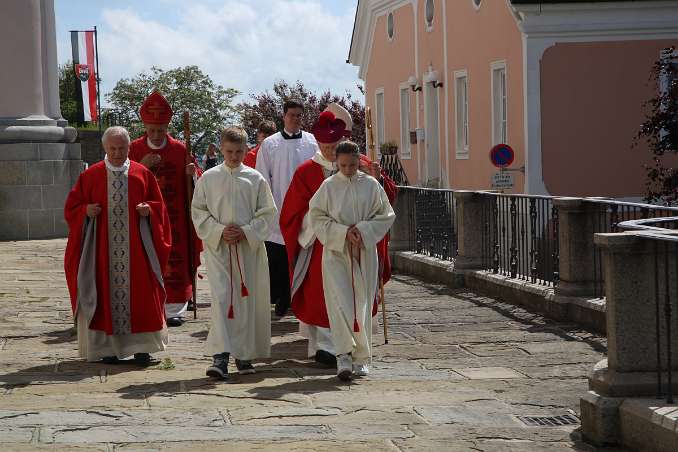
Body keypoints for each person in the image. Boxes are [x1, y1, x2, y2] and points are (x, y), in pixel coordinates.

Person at [64, 126, 172, 365]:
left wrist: (149, 210)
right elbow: (71, 208)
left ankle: (143, 347)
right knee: (104, 296)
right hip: (102, 253)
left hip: (137, 253)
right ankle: (107, 349)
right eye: (112, 148)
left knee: (142, 296)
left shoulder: (142, 174)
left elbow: (159, 207)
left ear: (129, 147)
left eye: (121, 147)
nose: (116, 152)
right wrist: (86, 211)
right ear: (104, 147)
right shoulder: (90, 176)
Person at [192, 127, 276, 379]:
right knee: (222, 300)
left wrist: (247, 231)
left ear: (247, 150)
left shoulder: (255, 179)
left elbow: (267, 213)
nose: (234, 156)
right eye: (229, 151)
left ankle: (244, 354)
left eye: (239, 151)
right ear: (221, 148)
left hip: (248, 250)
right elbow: (198, 211)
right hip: (220, 249)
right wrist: (218, 230)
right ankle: (220, 356)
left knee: (246, 301)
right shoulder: (209, 178)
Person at [309, 141, 395, 381]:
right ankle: (343, 356)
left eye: (353, 165)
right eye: (343, 165)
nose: (348, 169)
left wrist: (364, 230)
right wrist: (343, 233)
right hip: (337, 254)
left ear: (360, 161)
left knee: (362, 304)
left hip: (364, 253)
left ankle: (362, 357)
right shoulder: (327, 187)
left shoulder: (370, 185)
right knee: (341, 303)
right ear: (337, 162)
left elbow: (386, 215)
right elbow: (316, 217)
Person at [128, 90, 202, 327]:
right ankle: (149, 304)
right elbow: (123, 178)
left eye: (161, 130)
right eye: (152, 130)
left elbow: (195, 184)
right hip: (145, 217)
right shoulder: (134, 149)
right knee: (147, 260)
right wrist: (141, 166)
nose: (157, 135)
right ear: (145, 127)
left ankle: (174, 309)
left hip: (175, 217)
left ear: (167, 126)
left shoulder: (180, 149)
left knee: (175, 260)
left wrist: (192, 175)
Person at [279, 110, 345, 366]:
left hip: (351, 242)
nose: (330, 152)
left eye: (335, 146)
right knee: (321, 293)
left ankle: (350, 343)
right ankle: (326, 346)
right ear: (318, 143)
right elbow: (292, 212)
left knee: (346, 292)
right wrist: (318, 221)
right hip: (319, 244)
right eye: (326, 146)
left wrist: (378, 178)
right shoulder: (307, 171)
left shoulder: (356, 164)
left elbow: (381, 198)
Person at [255, 99, 318, 317]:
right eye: (292, 114)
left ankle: (300, 297)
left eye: (299, 115)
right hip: (279, 207)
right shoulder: (270, 144)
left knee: (302, 253)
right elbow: (262, 177)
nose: (296, 118)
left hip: (305, 208)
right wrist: (267, 208)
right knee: (280, 257)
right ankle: (282, 298)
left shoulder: (312, 142)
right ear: (283, 116)